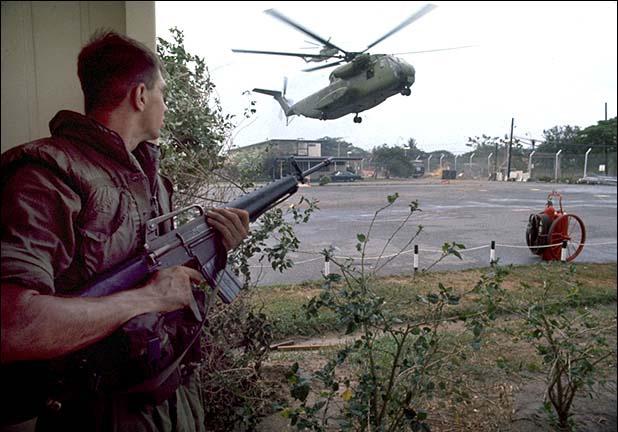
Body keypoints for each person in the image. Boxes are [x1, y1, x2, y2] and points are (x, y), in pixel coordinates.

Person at [0, 30, 249, 432]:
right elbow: (13, 325)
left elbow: (167, 282)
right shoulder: (47, 175)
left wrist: (217, 247)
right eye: (163, 94)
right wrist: (147, 298)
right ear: (139, 96)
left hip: (171, 398)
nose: (165, 106)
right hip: (97, 413)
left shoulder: (152, 180)